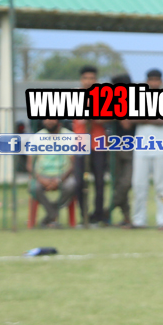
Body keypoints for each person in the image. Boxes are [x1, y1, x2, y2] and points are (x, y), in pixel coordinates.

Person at [131, 69, 163, 230]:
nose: (154, 83)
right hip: (141, 148)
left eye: (157, 80)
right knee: (138, 185)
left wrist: (143, 118)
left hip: (162, 148)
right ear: (146, 81)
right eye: (151, 80)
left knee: (162, 186)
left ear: (161, 82)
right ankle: (138, 220)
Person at [71, 65, 109, 226]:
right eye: (86, 78)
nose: (88, 81)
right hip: (81, 143)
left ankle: (98, 216)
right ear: (81, 80)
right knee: (80, 182)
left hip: (98, 143)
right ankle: (84, 215)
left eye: (92, 78)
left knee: (99, 181)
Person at [28, 119, 78, 227]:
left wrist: (59, 180)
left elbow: (74, 164)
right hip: (42, 175)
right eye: (45, 119)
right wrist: (41, 179)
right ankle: (53, 214)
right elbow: (29, 165)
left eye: (51, 118)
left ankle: (50, 215)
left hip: (63, 176)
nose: (48, 121)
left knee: (72, 185)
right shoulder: (37, 137)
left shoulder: (69, 136)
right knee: (33, 187)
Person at [106, 72, 135, 227]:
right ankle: (126, 217)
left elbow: (127, 124)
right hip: (115, 146)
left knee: (126, 183)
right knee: (118, 182)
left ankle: (108, 210)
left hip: (133, 147)